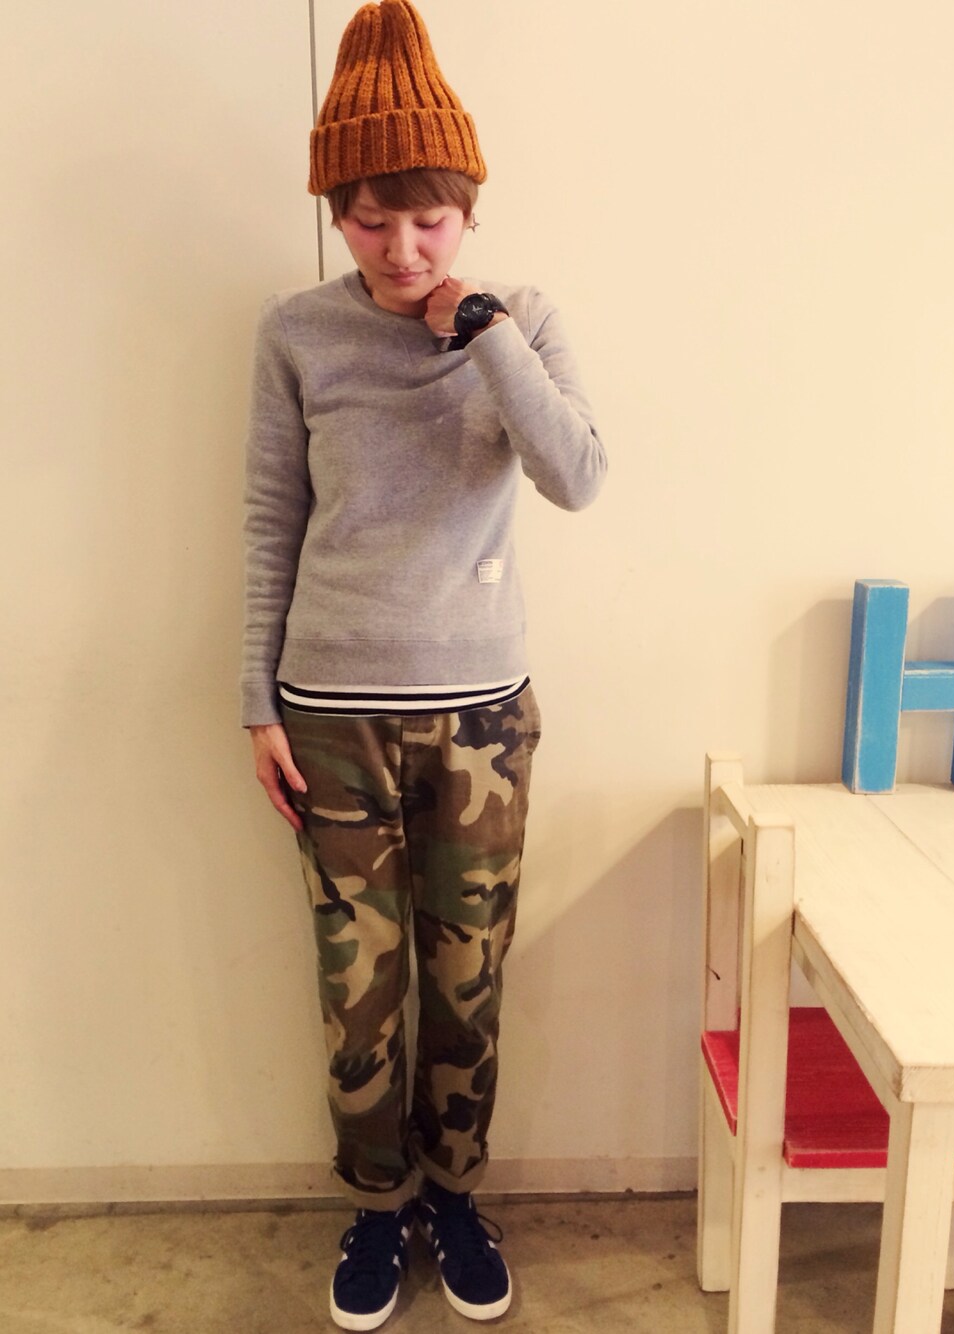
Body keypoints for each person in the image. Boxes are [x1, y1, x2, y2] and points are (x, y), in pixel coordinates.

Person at [241, 1, 606, 1327]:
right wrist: (254, 701)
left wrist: (482, 330)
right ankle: (374, 1203)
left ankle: (453, 1192)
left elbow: (577, 474)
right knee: (360, 989)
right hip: (328, 719)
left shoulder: (525, 319)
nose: (402, 248)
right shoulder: (296, 332)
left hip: (482, 724)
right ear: (336, 211)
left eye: (430, 219)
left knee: (468, 977)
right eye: (370, 218)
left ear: (469, 210)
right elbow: (272, 518)